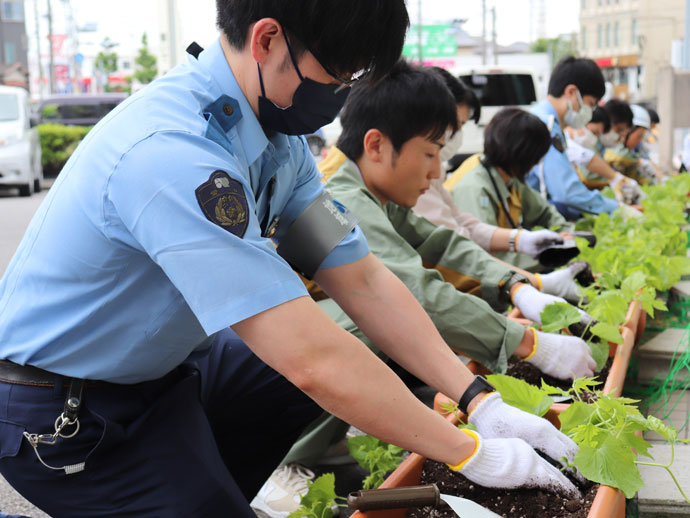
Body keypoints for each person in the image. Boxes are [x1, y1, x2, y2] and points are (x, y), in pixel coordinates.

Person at [0, 3, 582, 517]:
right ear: (269, 39)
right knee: (310, 360)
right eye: (338, 74)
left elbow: (360, 277)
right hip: (65, 411)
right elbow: (307, 358)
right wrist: (470, 453)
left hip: (167, 371)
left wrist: (478, 399)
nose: (344, 94)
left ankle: (199, 488)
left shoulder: (277, 144)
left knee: (349, 335)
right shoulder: (171, 153)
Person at [253, 62, 594, 516]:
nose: (436, 173)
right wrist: (528, 343)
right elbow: (413, 290)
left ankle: (328, 437)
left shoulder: (371, 192)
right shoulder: (346, 198)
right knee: (368, 320)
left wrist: (517, 284)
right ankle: (284, 461)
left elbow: (440, 240)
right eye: (431, 153)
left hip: (282, 365)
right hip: (262, 368)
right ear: (376, 145)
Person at [414, 68, 579, 276]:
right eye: (456, 125)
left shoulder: (511, 181)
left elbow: (465, 225)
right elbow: (462, 248)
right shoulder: (473, 186)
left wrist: (521, 240)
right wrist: (529, 279)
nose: (438, 170)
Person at [448, 107, 578, 274]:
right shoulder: (474, 188)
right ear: (524, 155)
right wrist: (552, 256)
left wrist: (564, 233)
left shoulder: (510, 177)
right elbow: (485, 259)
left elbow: (545, 212)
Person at [524, 56, 636, 221]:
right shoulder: (545, 126)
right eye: (590, 104)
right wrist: (617, 210)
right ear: (571, 92)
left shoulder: (544, 119)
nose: (589, 113)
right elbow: (566, 191)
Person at [564, 105, 644, 202]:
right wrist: (615, 179)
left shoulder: (594, 144)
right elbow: (587, 168)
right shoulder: (567, 142)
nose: (620, 137)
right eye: (594, 132)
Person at [604, 104, 663, 185]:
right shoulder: (611, 146)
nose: (639, 142)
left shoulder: (630, 152)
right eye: (639, 136)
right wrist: (639, 161)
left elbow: (634, 173)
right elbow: (618, 156)